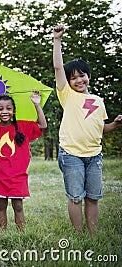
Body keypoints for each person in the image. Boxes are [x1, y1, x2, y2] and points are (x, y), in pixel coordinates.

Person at [53, 25, 122, 234]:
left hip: (94, 156)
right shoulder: (67, 95)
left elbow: (100, 129)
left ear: (88, 76)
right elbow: (58, 68)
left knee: (93, 197)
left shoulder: (98, 101)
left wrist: (116, 124)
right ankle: (78, 233)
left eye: (81, 75)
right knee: (75, 196)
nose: (78, 80)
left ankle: (91, 234)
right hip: (71, 154)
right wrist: (57, 41)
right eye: (73, 78)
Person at [0, 92, 47, 231]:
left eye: (8, 108)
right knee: (1, 205)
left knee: (18, 205)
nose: (5, 112)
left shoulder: (23, 126)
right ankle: (2, 232)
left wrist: (37, 104)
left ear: (14, 111)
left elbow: (43, 125)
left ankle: (21, 232)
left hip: (18, 176)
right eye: (0, 109)